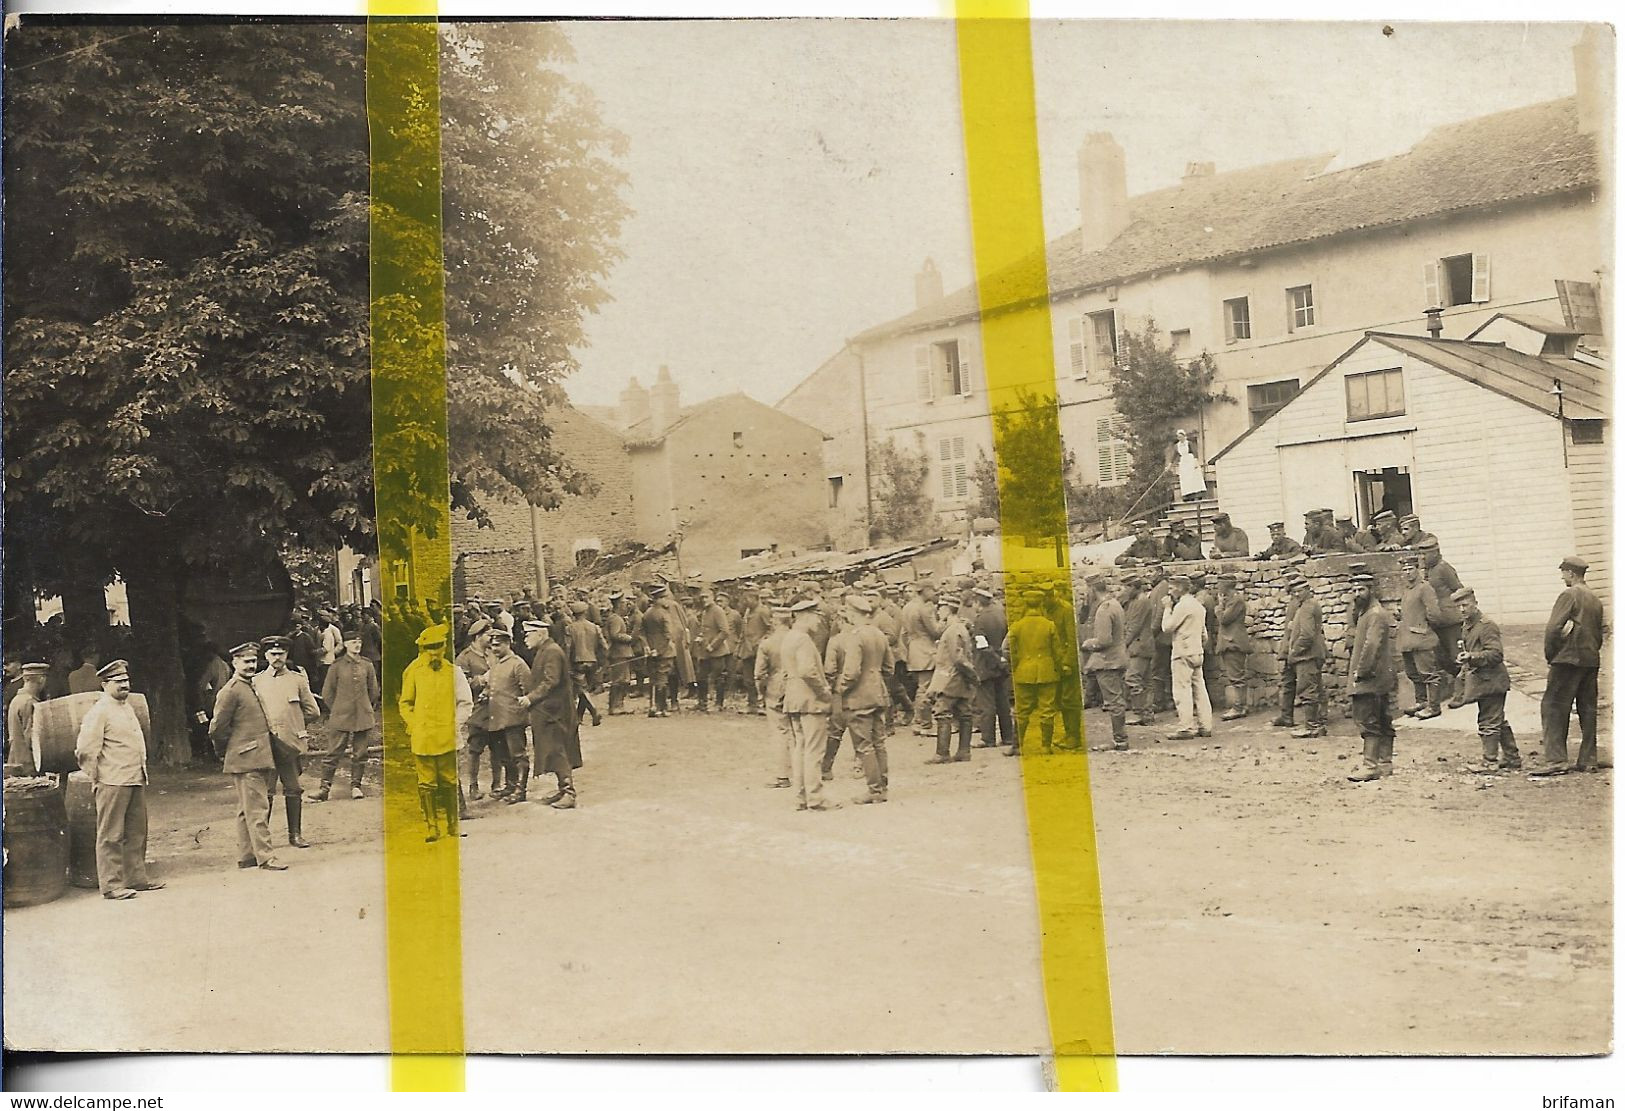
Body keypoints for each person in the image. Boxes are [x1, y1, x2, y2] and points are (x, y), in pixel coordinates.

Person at [74, 659, 162, 899]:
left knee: (136, 832)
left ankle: (136, 878)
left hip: (134, 777)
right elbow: (85, 749)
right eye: (118, 681)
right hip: (112, 780)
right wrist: (99, 777)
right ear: (104, 684)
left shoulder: (126, 707)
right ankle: (112, 886)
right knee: (111, 834)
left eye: (126, 680)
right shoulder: (99, 711)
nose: (124, 685)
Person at [210, 643, 287, 872]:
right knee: (258, 809)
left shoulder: (249, 686)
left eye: (253, 661)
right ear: (234, 663)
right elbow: (217, 728)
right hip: (247, 758)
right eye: (245, 661)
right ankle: (266, 857)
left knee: (246, 809)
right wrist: (231, 749)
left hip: (256, 755)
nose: (251, 666)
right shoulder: (231, 690)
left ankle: (247, 856)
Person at [1533, 555, 1607, 777]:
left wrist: (1551, 655)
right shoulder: (1595, 598)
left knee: (1553, 708)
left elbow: (1553, 629)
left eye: (1563, 572)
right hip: (1590, 660)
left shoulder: (1569, 594)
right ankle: (1588, 759)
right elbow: (1601, 632)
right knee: (1587, 710)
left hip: (1567, 660)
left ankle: (1556, 761)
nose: (1562, 576)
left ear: (1571, 574)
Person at [399, 624, 473, 840]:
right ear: (422, 649)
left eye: (438, 647)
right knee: (427, 783)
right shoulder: (413, 672)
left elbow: (465, 702)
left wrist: (456, 723)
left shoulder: (454, 672)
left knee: (450, 780)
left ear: (444, 648)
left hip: (447, 735)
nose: (434, 652)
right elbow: (405, 703)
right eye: (429, 648)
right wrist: (414, 724)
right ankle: (432, 827)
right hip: (423, 737)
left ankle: (452, 825)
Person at [253, 635, 321, 850]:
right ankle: (265, 839)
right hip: (266, 745)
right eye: (273, 654)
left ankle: (296, 835)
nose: (277, 657)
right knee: (266, 792)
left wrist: (294, 725)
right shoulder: (256, 681)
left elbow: (313, 711)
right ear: (265, 655)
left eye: (281, 653)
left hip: (289, 745)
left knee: (293, 789)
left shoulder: (297, 680)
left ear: (287, 654)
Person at [1448, 587, 1521, 774]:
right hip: (1483, 681)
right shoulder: (1467, 625)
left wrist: (1471, 656)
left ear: (1475, 604)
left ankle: (1490, 762)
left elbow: (1496, 654)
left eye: (1465, 605)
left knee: (1488, 721)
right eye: (1459, 607)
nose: (1462, 610)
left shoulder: (1486, 625)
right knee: (1497, 719)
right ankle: (1512, 757)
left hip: (1493, 681)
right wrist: (1466, 657)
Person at [833, 595, 892, 803]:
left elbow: (851, 672)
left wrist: (840, 689)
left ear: (852, 614)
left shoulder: (856, 637)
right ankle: (882, 787)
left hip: (859, 696)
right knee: (879, 742)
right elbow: (889, 668)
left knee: (864, 745)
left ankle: (874, 790)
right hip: (878, 693)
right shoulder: (879, 634)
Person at [519, 619, 583, 810]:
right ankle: (562, 790)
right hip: (547, 710)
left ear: (541, 634)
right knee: (551, 749)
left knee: (557, 749)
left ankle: (569, 792)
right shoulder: (544, 651)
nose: (525, 638)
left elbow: (551, 681)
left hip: (554, 712)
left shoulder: (552, 652)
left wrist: (530, 698)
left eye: (528, 634)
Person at [309, 628, 379, 802]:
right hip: (341, 716)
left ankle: (356, 786)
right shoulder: (337, 666)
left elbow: (374, 691)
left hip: (363, 715)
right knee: (333, 752)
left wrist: (365, 706)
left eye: (359, 642)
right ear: (346, 644)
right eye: (353, 642)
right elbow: (327, 693)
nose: (357, 645)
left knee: (360, 753)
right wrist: (338, 708)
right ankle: (324, 789)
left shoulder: (367, 665)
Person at [781, 599, 837, 811]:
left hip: (794, 699)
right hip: (810, 700)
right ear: (805, 616)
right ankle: (815, 798)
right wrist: (824, 693)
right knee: (814, 751)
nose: (818, 621)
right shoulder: (803, 640)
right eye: (815, 617)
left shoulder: (789, 638)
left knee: (800, 749)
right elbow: (807, 671)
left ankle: (801, 797)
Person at [1346, 573, 1398, 783]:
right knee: (1382, 719)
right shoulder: (1366, 613)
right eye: (1354, 590)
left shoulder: (1374, 614)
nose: (1357, 594)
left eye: (1361, 590)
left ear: (1371, 590)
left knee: (1369, 721)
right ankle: (1385, 763)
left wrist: (1362, 672)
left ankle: (1370, 766)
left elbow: (1372, 645)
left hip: (1370, 679)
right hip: (1380, 678)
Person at [1005, 590, 1063, 756]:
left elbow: (1006, 648)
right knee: (1047, 710)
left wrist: (1015, 664)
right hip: (1047, 673)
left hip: (1024, 672)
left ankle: (1017, 746)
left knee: (1021, 711)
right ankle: (1045, 747)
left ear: (1025, 604)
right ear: (1040, 604)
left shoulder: (1017, 626)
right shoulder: (1049, 625)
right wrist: (1058, 668)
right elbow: (1057, 652)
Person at [925, 592, 977, 764]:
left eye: (940, 608)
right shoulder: (959, 628)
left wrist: (970, 675)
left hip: (950, 678)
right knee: (964, 713)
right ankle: (964, 751)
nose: (939, 612)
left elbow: (957, 658)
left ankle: (942, 753)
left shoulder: (952, 630)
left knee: (942, 712)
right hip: (960, 678)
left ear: (947, 609)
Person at [1080, 573, 1129, 750]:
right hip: (1118, 658)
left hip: (1107, 661)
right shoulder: (1115, 604)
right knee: (1117, 699)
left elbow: (1104, 640)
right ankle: (1120, 738)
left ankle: (1120, 740)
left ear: (1092, 589)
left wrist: (1088, 643)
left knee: (1114, 701)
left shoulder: (1104, 609)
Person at [1161, 574, 1212, 740]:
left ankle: (1186, 727)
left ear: (1179, 588)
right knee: (1200, 690)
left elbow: (1167, 627)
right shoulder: (1198, 606)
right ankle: (1206, 725)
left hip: (1182, 653)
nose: (1169, 592)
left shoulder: (1182, 606)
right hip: (1197, 652)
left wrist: (1167, 608)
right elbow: (1204, 635)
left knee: (1182, 690)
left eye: (1171, 588)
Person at [483, 628, 532, 802]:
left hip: (513, 717)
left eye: (498, 645)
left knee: (518, 754)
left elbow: (528, 690)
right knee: (503, 754)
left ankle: (521, 789)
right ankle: (510, 785)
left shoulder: (518, 663)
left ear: (508, 644)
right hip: (497, 717)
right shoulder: (496, 663)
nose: (495, 649)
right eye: (493, 645)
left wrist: (524, 713)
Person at [1417, 537, 1464, 706]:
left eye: (1426, 554)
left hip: (1450, 621)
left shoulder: (1444, 568)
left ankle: (1463, 693)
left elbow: (1459, 590)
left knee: (1456, 657)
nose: (1422, 558)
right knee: (1441, 659)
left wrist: (1460, 611)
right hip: (1435, 622)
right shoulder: (1426, 572)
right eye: (1421, 554)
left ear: (1436, 552)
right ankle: (1457, 688)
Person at [1396, 554, 1444, 719]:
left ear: (1417, 570)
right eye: (1405, 570)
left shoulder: (1425, 588)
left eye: (1411, 569)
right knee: (1413, 673)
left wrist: (1423, 626)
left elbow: (1435, 614)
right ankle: (1421, 701)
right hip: (1407, 640)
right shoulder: (1407, 590)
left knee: (1428, 673)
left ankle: (1434, 707)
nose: (1408, 572)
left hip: (1422, 639)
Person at [754, 602, 795, 790]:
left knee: (780, 732)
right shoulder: (800, 639)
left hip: (775, 690)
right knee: (799, 732)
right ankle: (803, 773)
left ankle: (782, 776)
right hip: (798, 688)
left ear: (776, 622)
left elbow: (759, 674)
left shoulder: (767, 643)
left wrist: (761, 693)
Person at [970, 586, 1015, 750]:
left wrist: (996, 660)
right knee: (1003, 701)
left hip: (987, 665)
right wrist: (1003, 660)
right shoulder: (1000, 614)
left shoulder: (980, 620)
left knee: (986, 703)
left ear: (977, 602)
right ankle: (1008, 736)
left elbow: (982, 646)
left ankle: (987, 738)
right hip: (1001, 664)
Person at [1214, 574, 1251, 720]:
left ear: (1226, 586)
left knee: (1237, 677)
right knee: (1235, 676)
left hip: (1233, 643)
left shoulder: (1236, 601)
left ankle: (1239, 707)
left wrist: (1219, 606)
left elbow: (1224, 619)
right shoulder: (1231, 600)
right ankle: (1240, 706)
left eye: (1220, 584)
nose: (1218, 587)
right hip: (1230, 643)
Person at [566, 601, 608, 727]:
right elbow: (604, 647)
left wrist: (566, 665)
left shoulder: (570, 628)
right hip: (592, 662)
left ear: (573, 614)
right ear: (585, 613)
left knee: (582, 690)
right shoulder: (595, 627)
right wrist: (602, 662)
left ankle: (594, 711)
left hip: (577, 663)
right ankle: (579, 717)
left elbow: (568, 648)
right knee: (584, 690)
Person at [1122, 576, 1156, 727]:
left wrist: (1124, 644)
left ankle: (1138, 713)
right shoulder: (1138, 601)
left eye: (1127, 587)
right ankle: (1148, 714)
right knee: (1146, 681)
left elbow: (1134, 626)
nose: (1125, 591)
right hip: (1145, 645)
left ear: (1133, 587)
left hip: (1139, 646)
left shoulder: (1141, 602)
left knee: (1133, 678)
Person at [5, 657, 50, 773]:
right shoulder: (30, 703)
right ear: (41, 679)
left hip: (16, 761)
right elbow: (32, 740)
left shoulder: (16, 699)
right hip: (28, 766)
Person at [640, 584, 677, 718]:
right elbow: (668, 636)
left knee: (653, 679)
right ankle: (662, 708)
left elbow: (641, 633)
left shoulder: (647, 613)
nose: (666, 601)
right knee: (662, 679)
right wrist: (659, 650)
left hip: (650, 651)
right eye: (664, 598)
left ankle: (653, 707)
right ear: (659, 599)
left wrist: (647, 647)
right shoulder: (664, 614)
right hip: (664, 652)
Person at [695, 589, 733, 712]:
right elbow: (706, 629)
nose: (704, 600)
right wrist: (700, 637)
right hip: (705, 651)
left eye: (706, 597)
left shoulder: (717, 611)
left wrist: (713, 645)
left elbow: (725, 631)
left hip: (717, 651)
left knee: (718, 677)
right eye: (702, 598)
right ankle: (702, 703)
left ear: (712, 597)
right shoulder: (705, 612)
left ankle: (718, 703)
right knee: (701, 677)